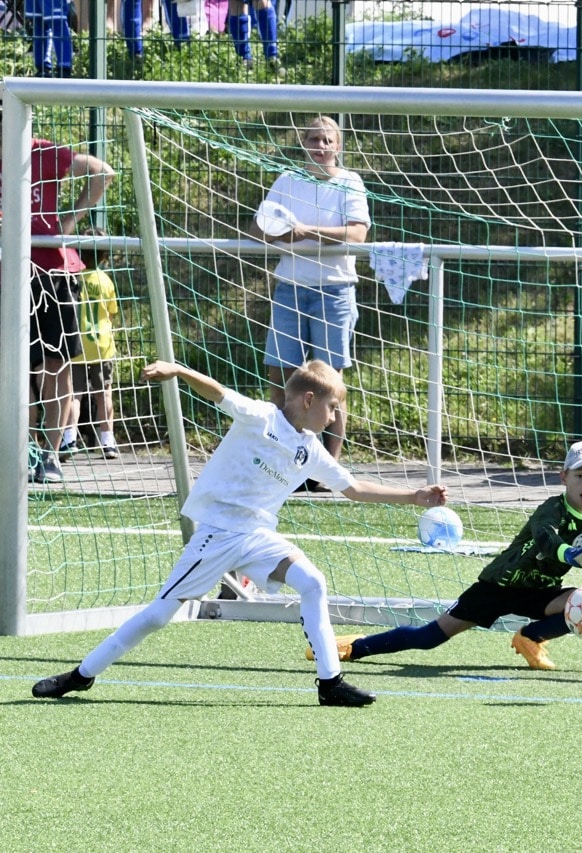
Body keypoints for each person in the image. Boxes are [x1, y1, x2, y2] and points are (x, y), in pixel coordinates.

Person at [32, 359, 449, 707]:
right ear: (308, 400)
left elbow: (354, 489)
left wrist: (414, 496)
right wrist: (177, 370)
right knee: (159, 615)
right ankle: (81, 675)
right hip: (217, 533)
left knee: (313, 582)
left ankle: (330, 683)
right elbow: (217, 392)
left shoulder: (311, 449)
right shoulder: (261, 417)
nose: (336, 416)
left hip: (257, 536)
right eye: (334, 407)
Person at [314, 440, 582, 671]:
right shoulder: (551, 510)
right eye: (580, 476)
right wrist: (574, 556)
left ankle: (530, 637)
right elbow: (544, 541)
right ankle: (352, 646)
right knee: (429, 638)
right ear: (564, 478)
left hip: (539, 592)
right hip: (499, 585)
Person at [249, 116, 369, 483]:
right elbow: (257, 230)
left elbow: (358, 233)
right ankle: (281, 460)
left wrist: (309, 232)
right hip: (290, 287)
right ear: (304, 143)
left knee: (331, 382)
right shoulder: (287, 181)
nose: (320, 146)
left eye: (327, 140)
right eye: (314, 139)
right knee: (282, 374)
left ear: (338, 145)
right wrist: (282, 235)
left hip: (334, 290)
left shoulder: (350, 182)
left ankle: (326, 470)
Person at [4, 133, 116, 483]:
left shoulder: (41, 150)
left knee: (57, 365)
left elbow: (103, 172)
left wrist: (67, 222)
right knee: (14, 367)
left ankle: (51, 455)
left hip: (53, 274)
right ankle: (22, 452)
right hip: (9, 272)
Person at [61, 228, 122, 461]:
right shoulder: (105, 281)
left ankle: (69, 439)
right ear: (105, 255)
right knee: (103, 393)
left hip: (75, 345)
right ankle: (108, 441)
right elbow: (111, 312)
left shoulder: (72, 278)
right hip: (102, 345)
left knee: (73, 394)